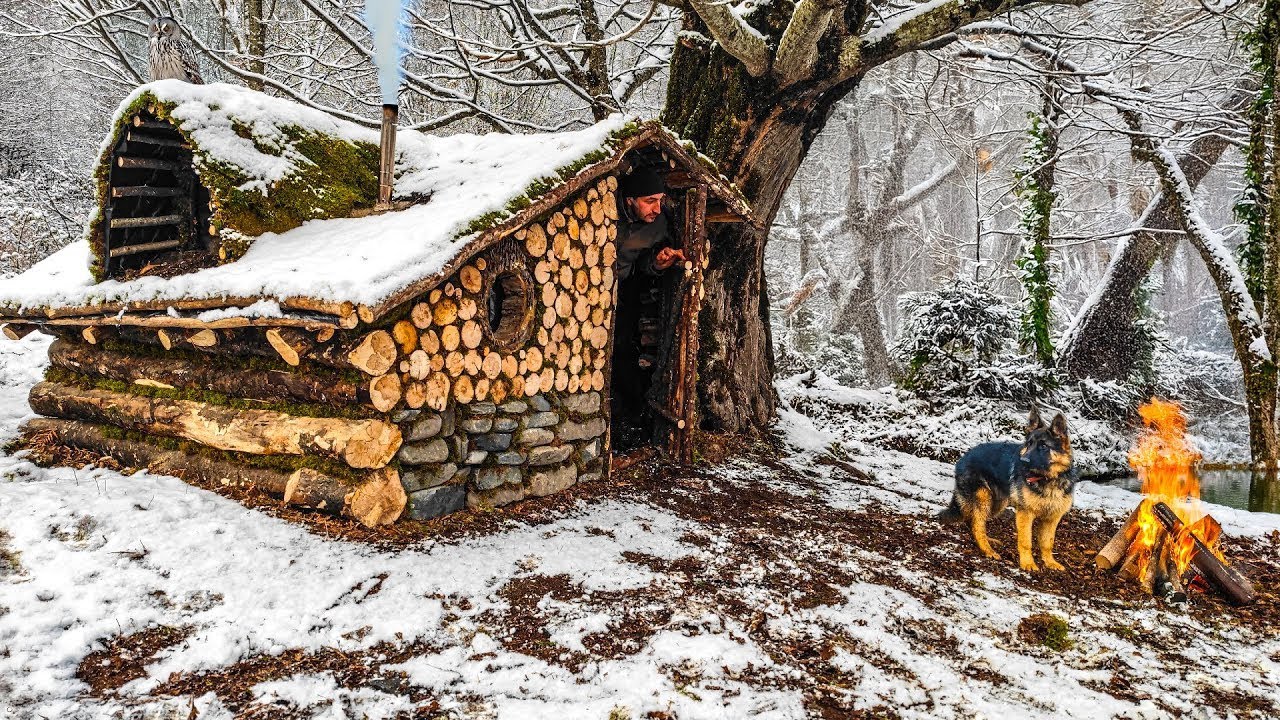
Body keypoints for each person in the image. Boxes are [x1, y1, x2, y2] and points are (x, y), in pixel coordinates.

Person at [612, 166, 685, 446]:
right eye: (649, 201)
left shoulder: (658, 225)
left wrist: (656, 262)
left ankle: (628, 421)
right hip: (587, 288)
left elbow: (644, 265)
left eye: (660, 200)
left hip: (625, 290)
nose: (657, 208)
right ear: (629, 199)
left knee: (623, 350)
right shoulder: (607, 213)